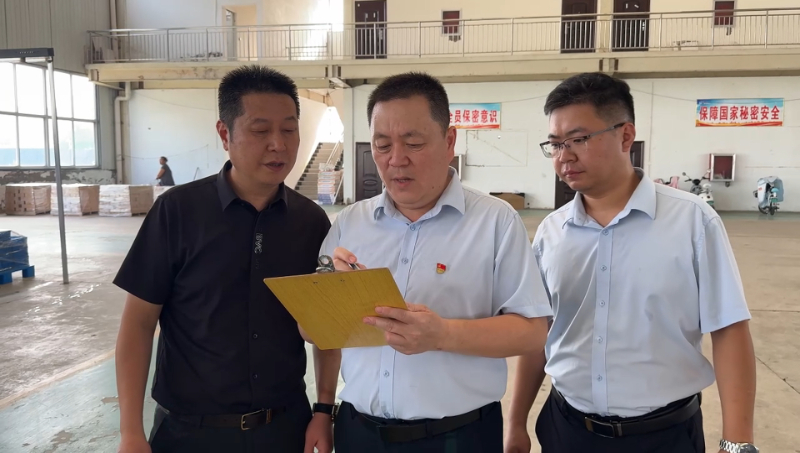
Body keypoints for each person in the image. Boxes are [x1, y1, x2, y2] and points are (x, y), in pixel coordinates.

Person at [505, 72, 758, 453]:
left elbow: (729, 329)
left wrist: (737, 442)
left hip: (664, 436)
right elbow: (539, 330)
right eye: (555, 144)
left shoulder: (692, 221)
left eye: (578, 139)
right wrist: (516, 422)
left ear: (625, 136)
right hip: (567, 430)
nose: (564, 156)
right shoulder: (551, 232)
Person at [312, 72, 553, 453]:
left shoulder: (495, 221)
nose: (396, 159)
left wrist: (443, 334)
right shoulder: (350, 223)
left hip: (457, 436)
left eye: (414, 143)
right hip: (359, 433)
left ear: (449, 141)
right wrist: (332, 299)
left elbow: (532, 331)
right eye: (382, 145)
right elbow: (315, 331)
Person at [113, 65, 340, 453]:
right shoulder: (177, 212)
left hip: (284, 429)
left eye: (289, 129)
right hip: (189, 434)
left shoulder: (311, 222)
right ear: (224, 134)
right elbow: (138, 324)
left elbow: (326, 328)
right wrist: (130, 432)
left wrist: (323, 408)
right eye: (260, 130)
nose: (278, 144)